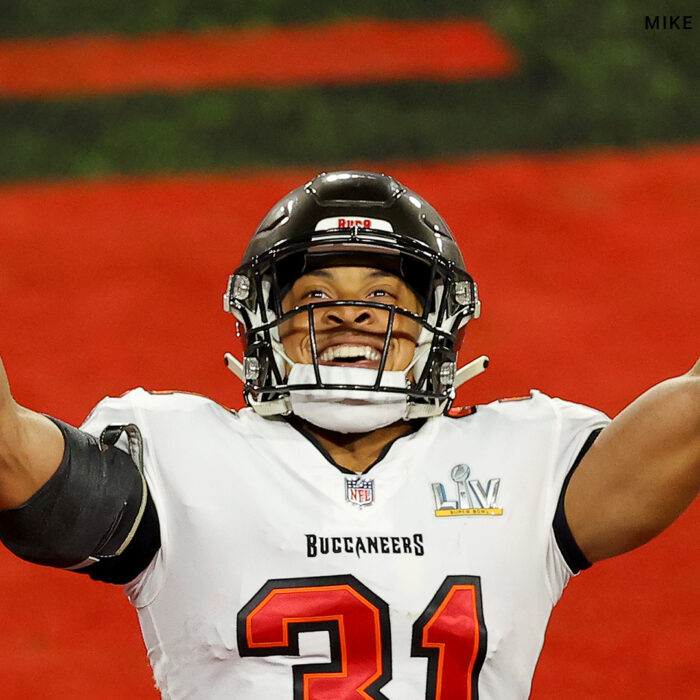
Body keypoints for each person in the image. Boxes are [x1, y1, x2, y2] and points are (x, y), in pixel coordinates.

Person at [0, 170, 697, 699]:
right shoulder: (182, 455)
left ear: (439, 328)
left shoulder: (527, 458)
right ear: (263, 325)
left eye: (383, 298)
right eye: (315, 298)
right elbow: (9, 455)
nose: (351, 316)